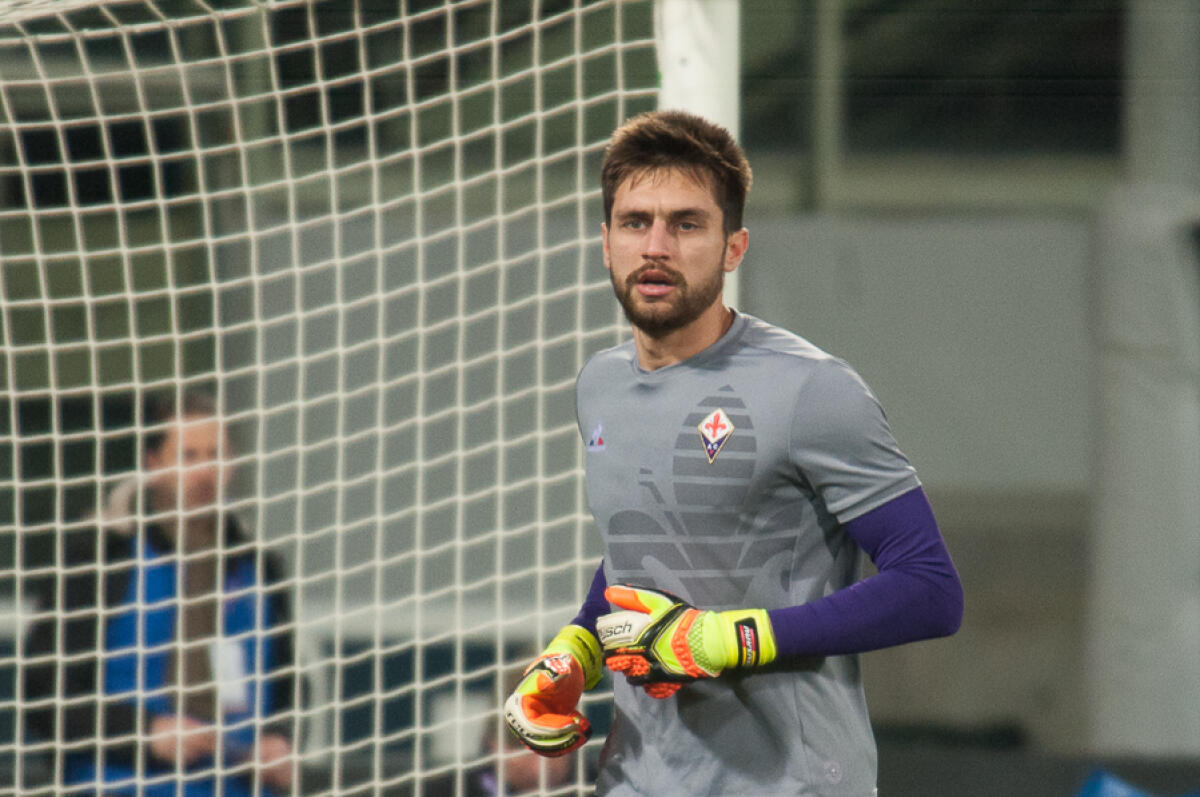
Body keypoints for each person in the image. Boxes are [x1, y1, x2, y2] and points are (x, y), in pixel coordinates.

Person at [504, 110, 964, 795]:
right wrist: (574, 652)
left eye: (686, 224)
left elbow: (931, 588)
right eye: (636, 222)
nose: (656, 245)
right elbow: (653, 548)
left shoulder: (813, 390)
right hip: (637, 777)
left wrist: (731, 639)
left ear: (734, 247)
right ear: (605, 242)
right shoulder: (599, 385)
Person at [23, 390, 298, 796]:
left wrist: (279, 737)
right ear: (153, 464)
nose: (206, 472)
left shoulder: (258, 567)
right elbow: (46, 689)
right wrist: (146, 734)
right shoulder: (104, 556)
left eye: (216, 455)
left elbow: (287, 684)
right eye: (188, 457)